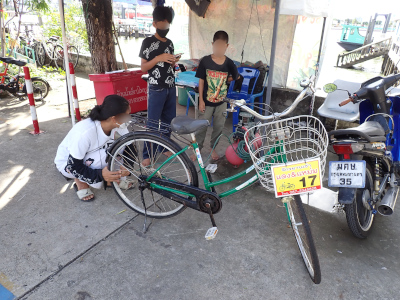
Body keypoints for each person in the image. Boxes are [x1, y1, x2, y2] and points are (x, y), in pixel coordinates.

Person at [54, 95, 134, 201]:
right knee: (101, 157)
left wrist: (127, 167)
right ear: (114, 118)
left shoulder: (119, 126)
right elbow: (73, 166)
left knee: (116, 149)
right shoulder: (84, 132)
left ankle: (109, 179)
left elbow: (130, 148)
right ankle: (81, 182)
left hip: (94, 156)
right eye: (126, 116)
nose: (129, 119)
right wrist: (100, 174)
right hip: (68, 163)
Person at [139, 6, 180, 166]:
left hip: (170, 87)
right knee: (152, 122)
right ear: (155, 23)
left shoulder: (170, 43)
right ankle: (147, 154)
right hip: (156, 88)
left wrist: (173, 61)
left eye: (168, 24)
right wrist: (158, 58)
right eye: (163, 24)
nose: (166, 27)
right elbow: (143, 67)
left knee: (168, 121)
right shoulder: (148, 42)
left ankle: (163, 147)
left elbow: (169, 67)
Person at [192, 30, 239, 161]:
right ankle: (198, 150)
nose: (219, 49)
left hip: (221, 103)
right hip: (206, 102)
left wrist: (226, 80)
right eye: (217, 45)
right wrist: (201, 100)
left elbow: (236, 76)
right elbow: (201, 80)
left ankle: (212, 149)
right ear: (213, 44)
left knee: (218, 128)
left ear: (227, 46)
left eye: (222, 46)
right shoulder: (206, 61)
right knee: (201, 127)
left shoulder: (229, 63)